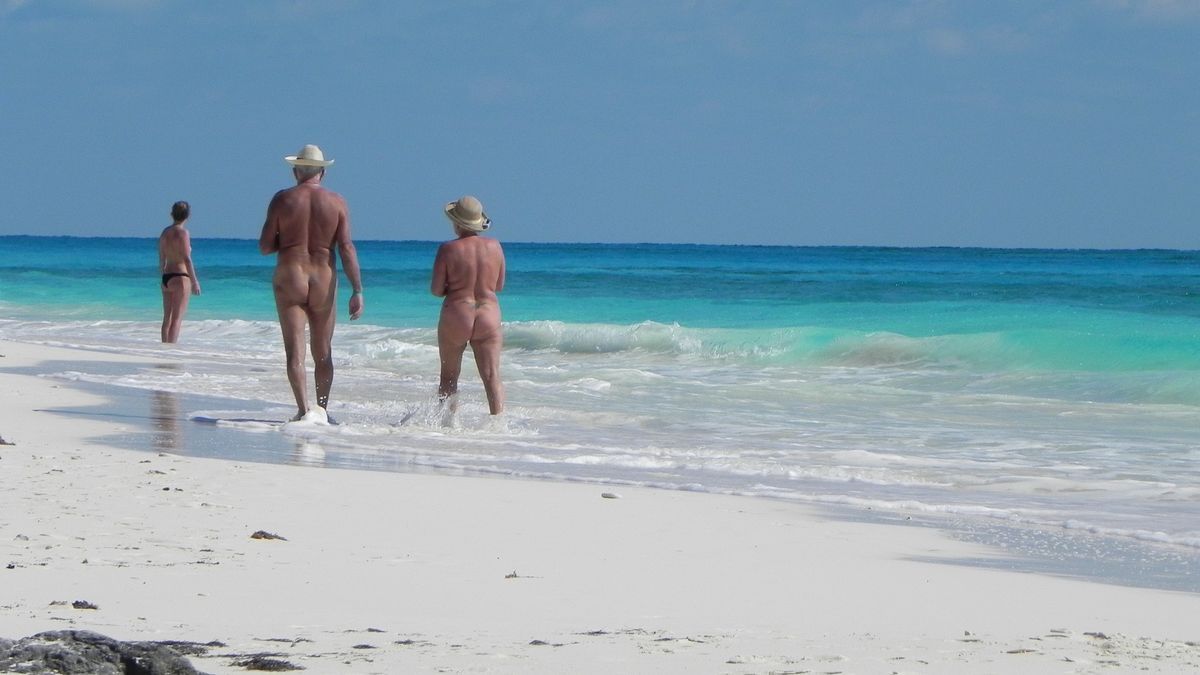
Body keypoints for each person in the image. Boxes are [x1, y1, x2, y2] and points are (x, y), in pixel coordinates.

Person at [258, 144, 364, 422]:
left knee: (295, 351)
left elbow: (265, 246)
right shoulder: (337, 202)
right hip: (323, 279)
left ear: (295, 171)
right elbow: (347, 248)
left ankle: (304, 410)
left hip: (290, 275)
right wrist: (357, 289)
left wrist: (290, 241)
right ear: (322, 173)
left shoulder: (282, 200)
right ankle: (323, 410)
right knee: (323, 351)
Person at [431, 195, 506, 415]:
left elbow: (436, 290)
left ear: (456, 223)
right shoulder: (495, 246)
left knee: (449, 376)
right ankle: (498, 425)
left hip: (457, 312)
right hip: (488, 313)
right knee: (492, 376)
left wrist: (454, 288)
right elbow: (499, 285)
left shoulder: (448, 249)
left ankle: (446, 424)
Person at [158, 200, 201, 343]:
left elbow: (162, 259)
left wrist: (162, 278)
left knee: (166, 319)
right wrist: (195, 282)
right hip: (180, 277)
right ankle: (171, 352)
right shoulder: (183, 233)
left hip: (166, 278)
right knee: (176, 319)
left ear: (172, 214)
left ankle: (164, 349)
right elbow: (187, 259)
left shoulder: (165, 232)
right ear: (187, 216)